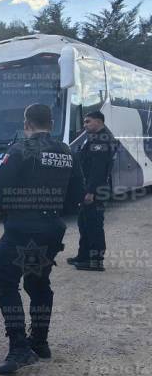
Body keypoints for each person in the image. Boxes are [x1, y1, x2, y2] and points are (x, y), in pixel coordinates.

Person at [0, 104, 84, 375]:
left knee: (2, 283)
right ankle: (40, 342)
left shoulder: (20, 149)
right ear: (51, 123)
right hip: (52, 227)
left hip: (22, 228)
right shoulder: (67, 152)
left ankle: (19, 348)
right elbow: (78, 193)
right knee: (38, 282)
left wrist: (8, 207)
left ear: (26, 123)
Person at [68, 111, 117, 271]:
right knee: (84, 222)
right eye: (84, 122)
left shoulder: (102, 140)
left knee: (94, 224)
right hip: (90, 187)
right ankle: (83, 256)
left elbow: (98, 169)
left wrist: (90, 191)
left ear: (98, 121)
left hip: (96, 189)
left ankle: (96, 260)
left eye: (88, 122)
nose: (85, 125)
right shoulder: (95, 138)